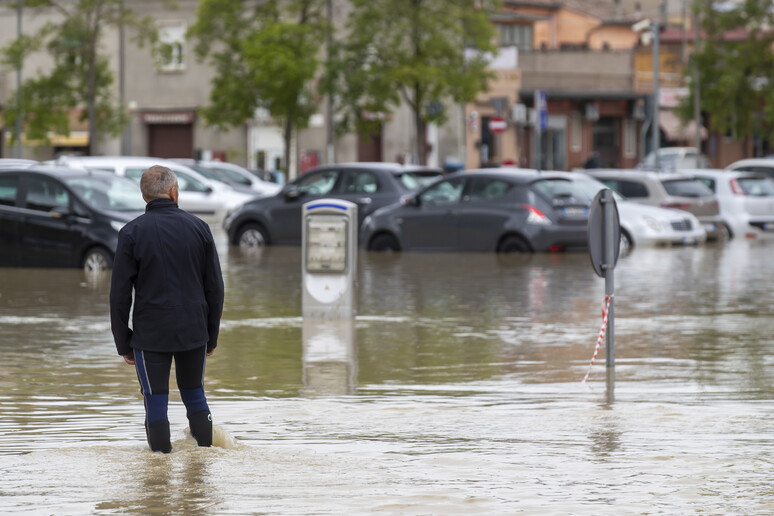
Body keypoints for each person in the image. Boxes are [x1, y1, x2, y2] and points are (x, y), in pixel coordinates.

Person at [110, 165, 224, 453]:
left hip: (150, 335)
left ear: (143, 195)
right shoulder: (200, 228)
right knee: (195, 395)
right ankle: (203, 464)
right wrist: (211, 336)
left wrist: (124, 343)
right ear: (174, 191)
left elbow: (119, 296)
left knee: (155, 399)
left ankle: (158, 475)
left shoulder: (131, 232)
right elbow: (215, 289)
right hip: (193, 330)